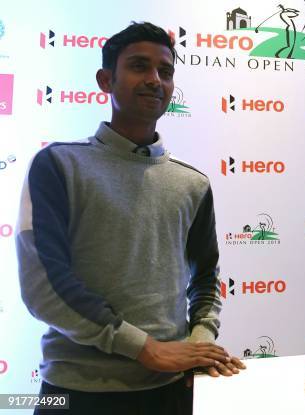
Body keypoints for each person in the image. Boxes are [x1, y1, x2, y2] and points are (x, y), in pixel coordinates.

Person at [16, 22, 244, 414]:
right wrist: (146, 349)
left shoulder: (192, 183)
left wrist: (197, 343)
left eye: (165, 71)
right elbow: (45, 288)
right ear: (106, 80)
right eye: (139, 66)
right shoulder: (58, 164)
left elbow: (206, 278)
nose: (155, 80)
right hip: (76, 394)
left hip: (172, 391)